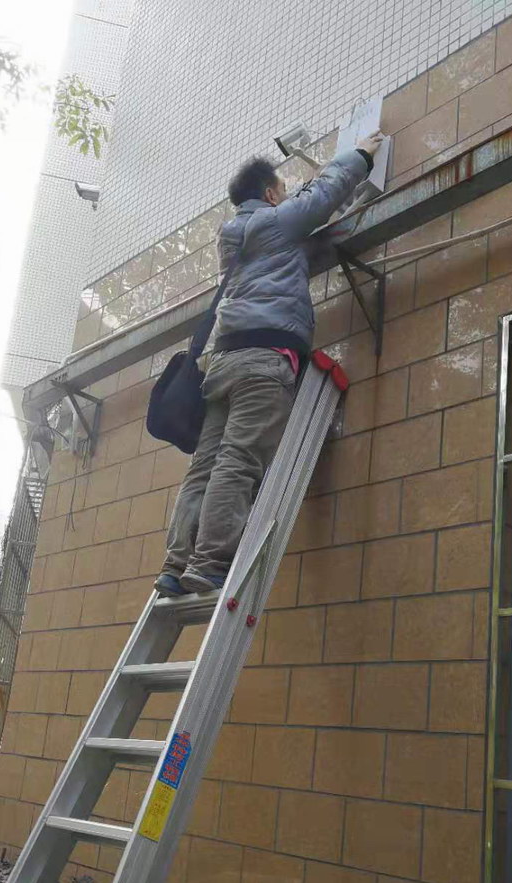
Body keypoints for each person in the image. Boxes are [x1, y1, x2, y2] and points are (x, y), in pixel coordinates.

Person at [155, 131, 385, 597]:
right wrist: (362, 154)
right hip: (264, 361)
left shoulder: (232, 237)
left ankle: (176, 565)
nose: (285, 194)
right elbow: (323, 195)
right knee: (239, 460)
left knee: (205, 467)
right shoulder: (276, 223)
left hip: (224, 362)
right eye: (282, 188)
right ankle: (210, 562)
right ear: (270, 194)